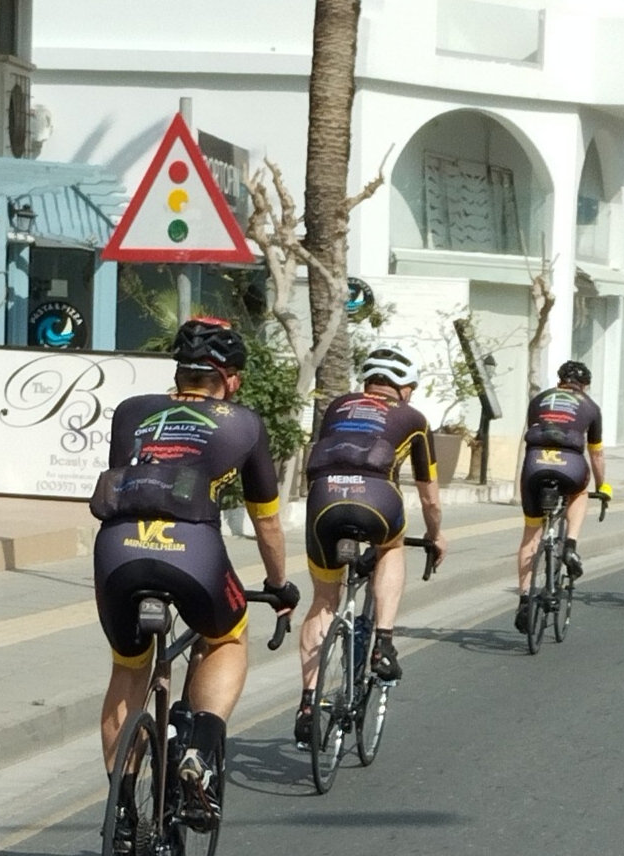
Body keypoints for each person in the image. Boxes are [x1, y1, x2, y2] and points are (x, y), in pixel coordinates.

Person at [92, 318, 299, 823]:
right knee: (227, 637)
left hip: (117, 549)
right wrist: (278, 585)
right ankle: (199, 751)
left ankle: (123, 815)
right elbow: (267, 522)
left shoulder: (132, 410)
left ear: (179, 373)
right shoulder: (243, 423)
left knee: (129, 667)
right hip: (194, 551)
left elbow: (130, 482)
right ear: (231, 379)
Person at [295, 344, 447, 743]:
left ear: (367, 383)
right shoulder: (413, 418)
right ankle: (383, 643)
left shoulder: (338, 405)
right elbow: (429, 495)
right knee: (391, 548)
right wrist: (435, 534)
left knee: (323, 601)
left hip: (325, 499)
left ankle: (308, 704)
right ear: (405, 388)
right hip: (377, 499)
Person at [515, 360, 611, 631]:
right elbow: (596, 454)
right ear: (585, 386)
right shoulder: (591, 407)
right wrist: (602, 486)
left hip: (535, 463)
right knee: (580, 491)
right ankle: (570, 545)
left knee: (531, 534)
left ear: (559, 381)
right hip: (570, 464)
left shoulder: (539, 400)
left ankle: (524, 600)